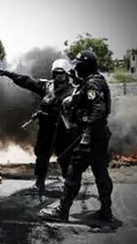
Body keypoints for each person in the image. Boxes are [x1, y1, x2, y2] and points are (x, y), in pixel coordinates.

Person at [39, 50, 114, 222]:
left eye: (79, 66)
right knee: (101, 173)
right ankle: (106, 211)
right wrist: (76, 79)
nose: (77, 68)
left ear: (85, 66)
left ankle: (62, 212)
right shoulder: (91, 81)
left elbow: (98, 111)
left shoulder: (92, 85)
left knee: (73, 173)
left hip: (91, 137)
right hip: (100, 136)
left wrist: (86, 136)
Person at [0, 58, 77, 192]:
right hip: (46, 129)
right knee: (42, 156)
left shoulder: (74, 91)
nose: (59, 77)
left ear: (67, 74)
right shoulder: (47, 86)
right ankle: (39, 183)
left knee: (65, 158)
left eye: (62, 74)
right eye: (56, 74)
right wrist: (10, 74)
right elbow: (28, 82)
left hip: (64, 130)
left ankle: (69, 185)